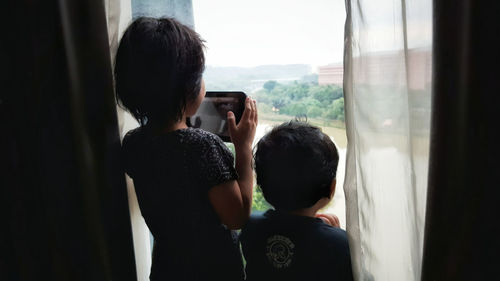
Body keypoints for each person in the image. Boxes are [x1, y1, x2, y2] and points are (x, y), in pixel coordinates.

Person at [115, 17, 257, 281]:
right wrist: (244, 147)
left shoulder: (133, 143)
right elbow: (237, 216)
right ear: (187, 88)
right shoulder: (202, 147)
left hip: (167, 267)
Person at [240, 121, 353, 281]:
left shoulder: (251, 227)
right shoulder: (340, 244)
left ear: (262, 185)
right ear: (332, 187)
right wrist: (334, 235)